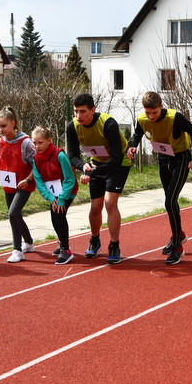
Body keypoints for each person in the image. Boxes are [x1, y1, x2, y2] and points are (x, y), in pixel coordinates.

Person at [127, 91, 192, 264]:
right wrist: (132, 146)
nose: (151, 116)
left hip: (181, 158)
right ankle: (178, 235)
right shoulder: (142, 119)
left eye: (154, 112)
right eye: (148, 112)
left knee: (170, 201)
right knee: (170, 201)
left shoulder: (175, 118)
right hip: (162, 157)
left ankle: (177, 247)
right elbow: (137, 134)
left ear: (161, 106)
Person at [66, 93, 131, 264]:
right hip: (96, 162)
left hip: (118, 162)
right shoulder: (72, 127)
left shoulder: (108, 124)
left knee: (110, 203)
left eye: (83, 112)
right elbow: (72, 155)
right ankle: (95, 240)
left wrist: (91, 173)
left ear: (93, 110)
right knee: (95, 207)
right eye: (75, 111)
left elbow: (116, 158)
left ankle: (114, 245)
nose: (78, 116)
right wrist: (83, 166)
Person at [0, 106, 36, 263]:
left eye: (4, 126)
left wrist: (28, 180)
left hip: (24, 184)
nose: (0, 130)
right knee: (15, 214)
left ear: (13, 123)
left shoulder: (25, 142)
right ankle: (29, 242)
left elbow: (36, 165)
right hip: (8, 183)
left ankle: (17, 250)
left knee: (13, 214)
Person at [31, 126, 79, 265]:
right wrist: (51, 198)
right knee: (54, 217)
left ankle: (66, 250)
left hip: (67, 191)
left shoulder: (60, 155)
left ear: (49, 140)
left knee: (59, 214)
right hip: (53, 193)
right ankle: (62, 243)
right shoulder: (36, 158)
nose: (37, 146)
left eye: (40, 142)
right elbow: (39, 181)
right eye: (34, 143)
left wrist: (62, 198)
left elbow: (69, 179)